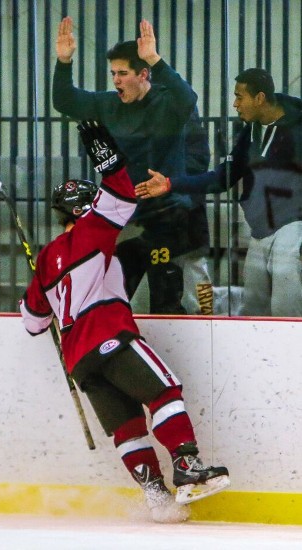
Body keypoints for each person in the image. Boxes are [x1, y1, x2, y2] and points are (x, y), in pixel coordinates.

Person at [19, 121, 230, 523]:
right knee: (165, 393)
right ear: (84, 210)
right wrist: (108, 155)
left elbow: (33, 322)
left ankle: (157, 497)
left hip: (78, 360)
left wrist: (38, 281)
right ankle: (186, 467)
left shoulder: (46, 260)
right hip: (109, 335)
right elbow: (119, 193)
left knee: (128, 429)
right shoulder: (91, 232)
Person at [53, 16, 213, 315]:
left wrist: (155, 58)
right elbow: (64, 101)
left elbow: (187, 99)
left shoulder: (169, 104)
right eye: (113, 73)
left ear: (143, 75)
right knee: (116, 287)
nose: (116, 80)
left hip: (172, 212)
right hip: (129, 213)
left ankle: (202, 332)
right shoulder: (108, 103)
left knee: (179, 290)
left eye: (123, 73)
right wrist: (64, 62)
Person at [136, 68, 302, 317]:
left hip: (292, 225)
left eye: (239, 97)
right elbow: (222, 178)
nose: (235, 104)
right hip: (260, 229)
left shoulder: (298, 130)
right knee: (253, 310)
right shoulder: (251, 132)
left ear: (259, 98)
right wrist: (171, 184)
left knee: (285, 307)